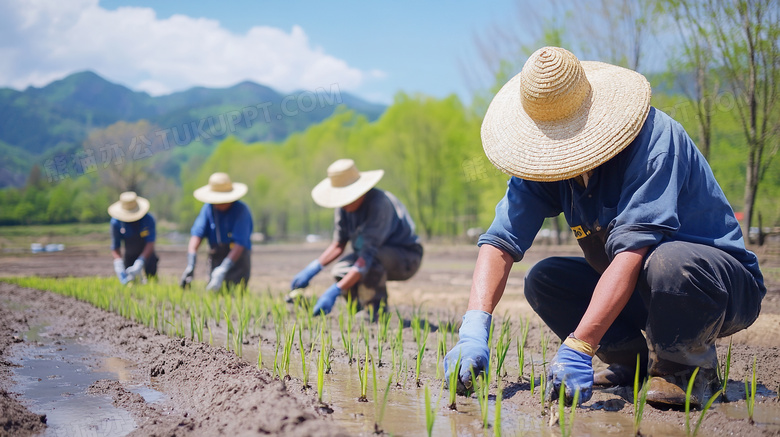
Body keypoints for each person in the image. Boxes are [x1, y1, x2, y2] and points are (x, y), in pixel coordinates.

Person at [443, 47, 765, 409]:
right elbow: (500, 241)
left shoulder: (654, 142)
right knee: (546, 280)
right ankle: (632, 360)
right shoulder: (546, 163)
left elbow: (632, 255)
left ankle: (685, 369)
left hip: (715, 288)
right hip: (645, 289)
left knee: (668, 262)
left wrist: (580, 345)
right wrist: (473, 328)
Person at [289, 159, 423, 317]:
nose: (343, 205)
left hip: (405, 257)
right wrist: (313, 268)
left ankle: (375, 311)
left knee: (372, 261)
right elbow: (339, 244)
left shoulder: (379, 205)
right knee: (341, 270)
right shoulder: (343, 207)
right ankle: (358, 308)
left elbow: (365, 259)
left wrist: (335, 290)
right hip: (370, 256)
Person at [180, 172, 253, 291]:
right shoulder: (208, 209)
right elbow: (197, 235)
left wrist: (224, 268)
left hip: (237, 259)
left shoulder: (241, 211)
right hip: (216, 255)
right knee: (214, 291)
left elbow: (240, 244)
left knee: (236, 293)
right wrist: (191, 262)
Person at [108, 191, 158, 284]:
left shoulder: (148, 219)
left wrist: (140, 261)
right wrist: (118, 262)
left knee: (151, 281)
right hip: (129, 254)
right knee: (131, 281)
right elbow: (115, 246)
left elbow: (150, 242)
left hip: (147, 255)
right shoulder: (116, 223)